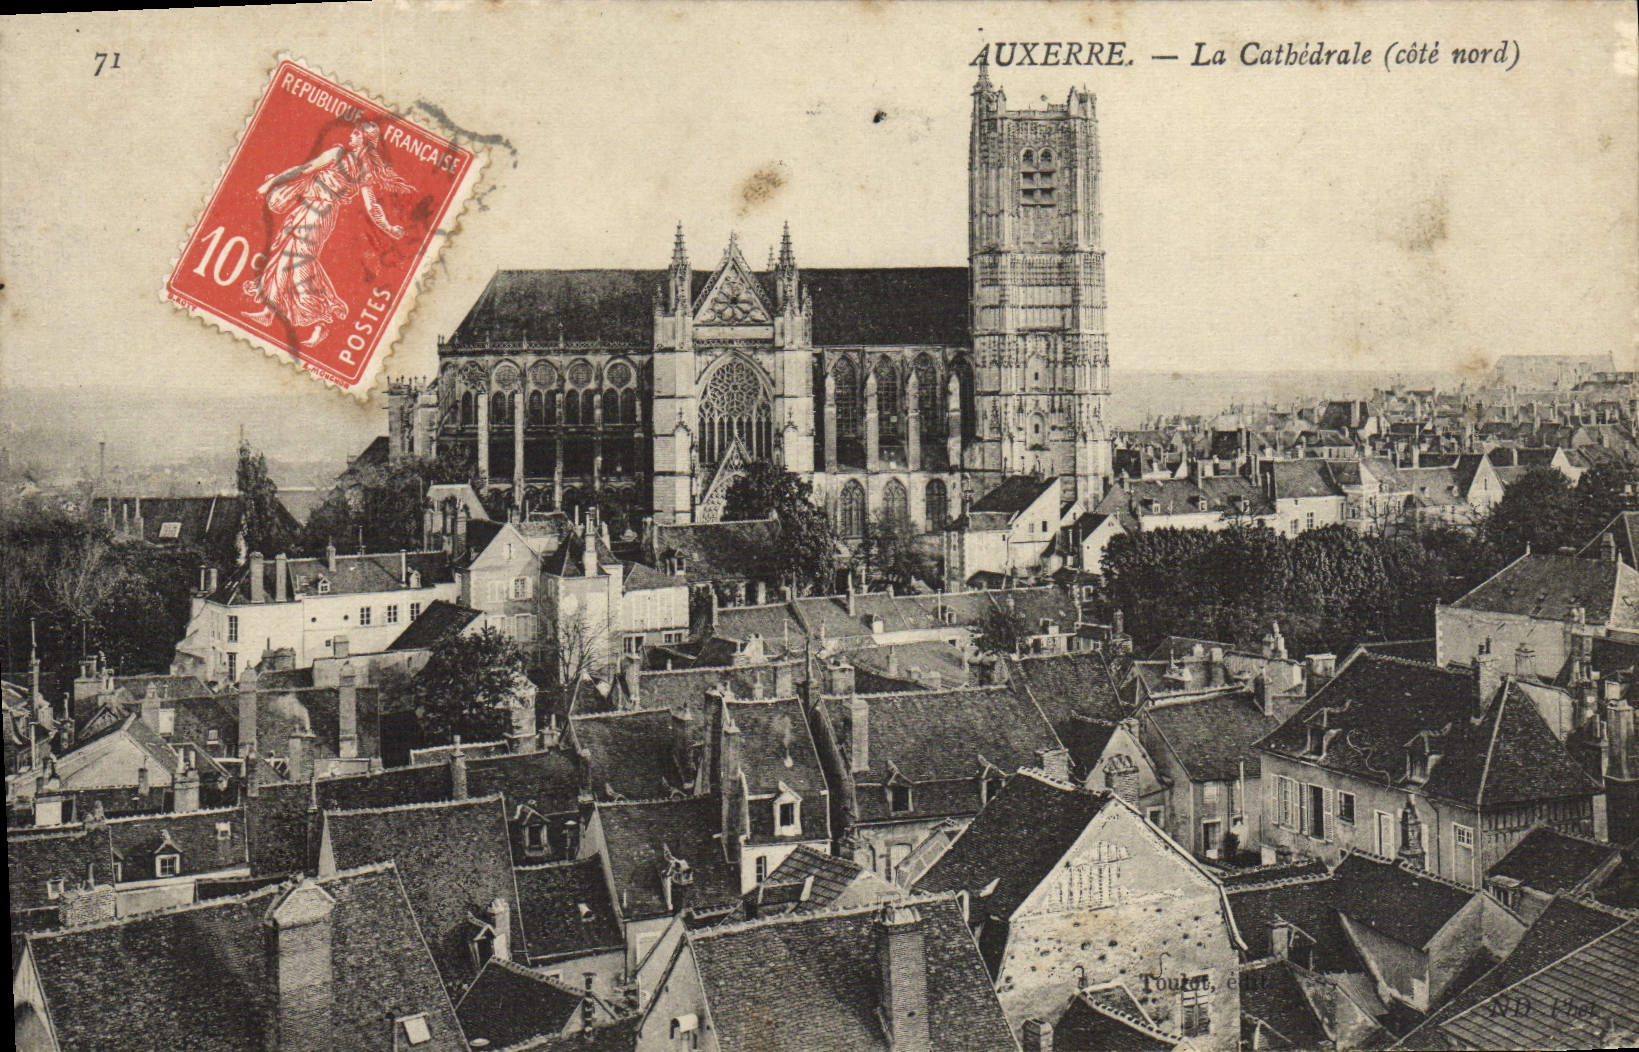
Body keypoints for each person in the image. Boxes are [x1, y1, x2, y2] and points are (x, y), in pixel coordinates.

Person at [242, 121, 415, 348]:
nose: (351, 136)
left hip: (320, 214)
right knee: (286, 256)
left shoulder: (352, 164)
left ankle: (319, 319)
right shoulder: (347, 160)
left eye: (356, 134)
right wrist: (389, 227)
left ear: (364, 141)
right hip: (310, 207)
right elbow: (306, 169)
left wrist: (389, 227)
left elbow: (370, 205)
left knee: (298, 263)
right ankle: (272, 312)